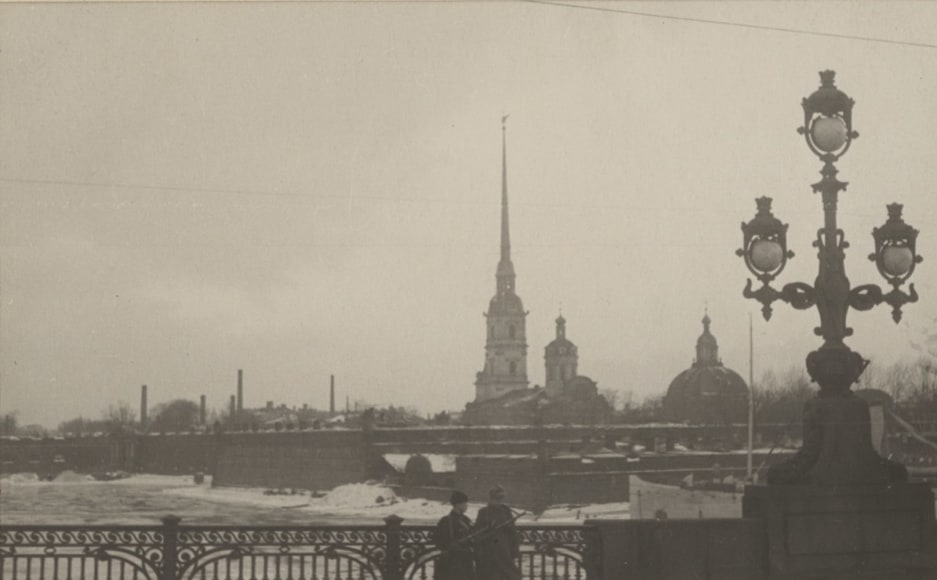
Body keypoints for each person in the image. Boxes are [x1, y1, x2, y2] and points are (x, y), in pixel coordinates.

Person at [474, 485, 521, 580]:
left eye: (501, 498)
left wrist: (514, 551)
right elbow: (478, 533)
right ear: (491, 498)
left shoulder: (506, 511)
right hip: (488, 553)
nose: (499, 501)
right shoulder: (483, 512)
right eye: (496, 498)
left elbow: (513, 533)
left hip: (505, 551)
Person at [434, 490, 476, 580]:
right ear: (458, 505)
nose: (467, 506)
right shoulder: (445, 521)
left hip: (466, 560)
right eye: (465, 504)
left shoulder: (466, 519)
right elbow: (440, 541)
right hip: (452, 562)